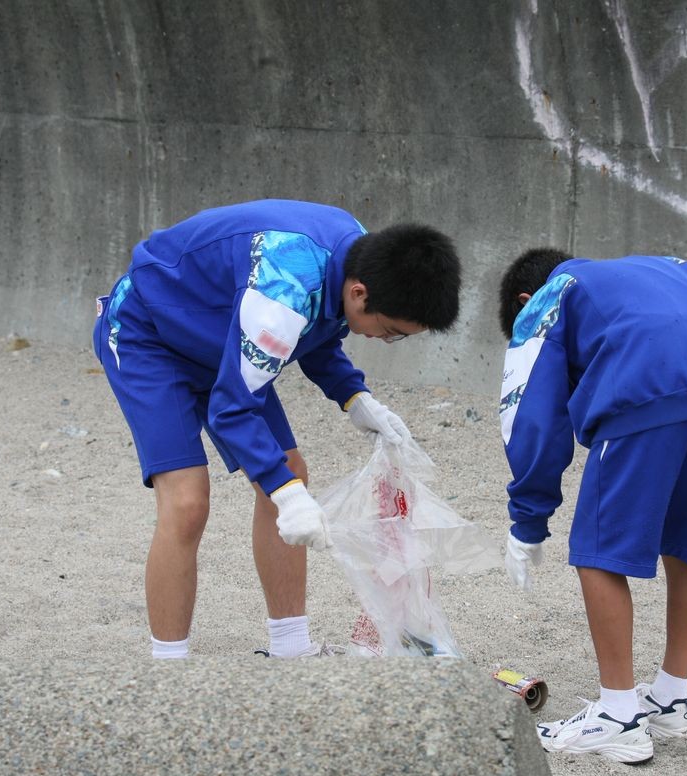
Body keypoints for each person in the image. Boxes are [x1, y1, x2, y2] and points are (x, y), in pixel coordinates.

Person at [93, 199, 461, 660]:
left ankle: (290, 647)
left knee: (289, 470)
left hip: (224, 335)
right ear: (360, 293)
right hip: (148, 332)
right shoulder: (285, 284)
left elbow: (319, 330)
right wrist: (286, 497)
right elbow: (233, 407)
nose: (385, 340)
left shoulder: (359, 252)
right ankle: (168, 672)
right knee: (187, 501)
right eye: (389, 331)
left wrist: (355, 398)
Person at [495, 248, 687, 764]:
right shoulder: (671, 268)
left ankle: (616, 716)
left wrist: (528, 518)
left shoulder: (553, 295)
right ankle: (671, 699)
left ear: (526, 301)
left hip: (643, 385)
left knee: (597, 549)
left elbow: (532, 414)